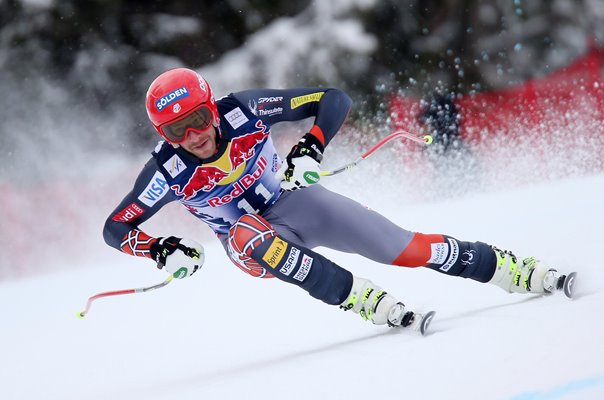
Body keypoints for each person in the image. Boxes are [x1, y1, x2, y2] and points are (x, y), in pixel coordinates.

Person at [103, 68, 569, 330]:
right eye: (176, 130)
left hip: (295, 203)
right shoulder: (166, 170)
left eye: (199, 118)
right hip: (248, 242)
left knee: (403, 249)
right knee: (249, 235)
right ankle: (360, 298)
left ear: (212, 106)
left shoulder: (243, 108)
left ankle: (508, 269)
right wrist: (159, 248)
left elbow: (333, 98)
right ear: (162, 135)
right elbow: (116, 227)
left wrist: (313, 144)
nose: (195, 135)